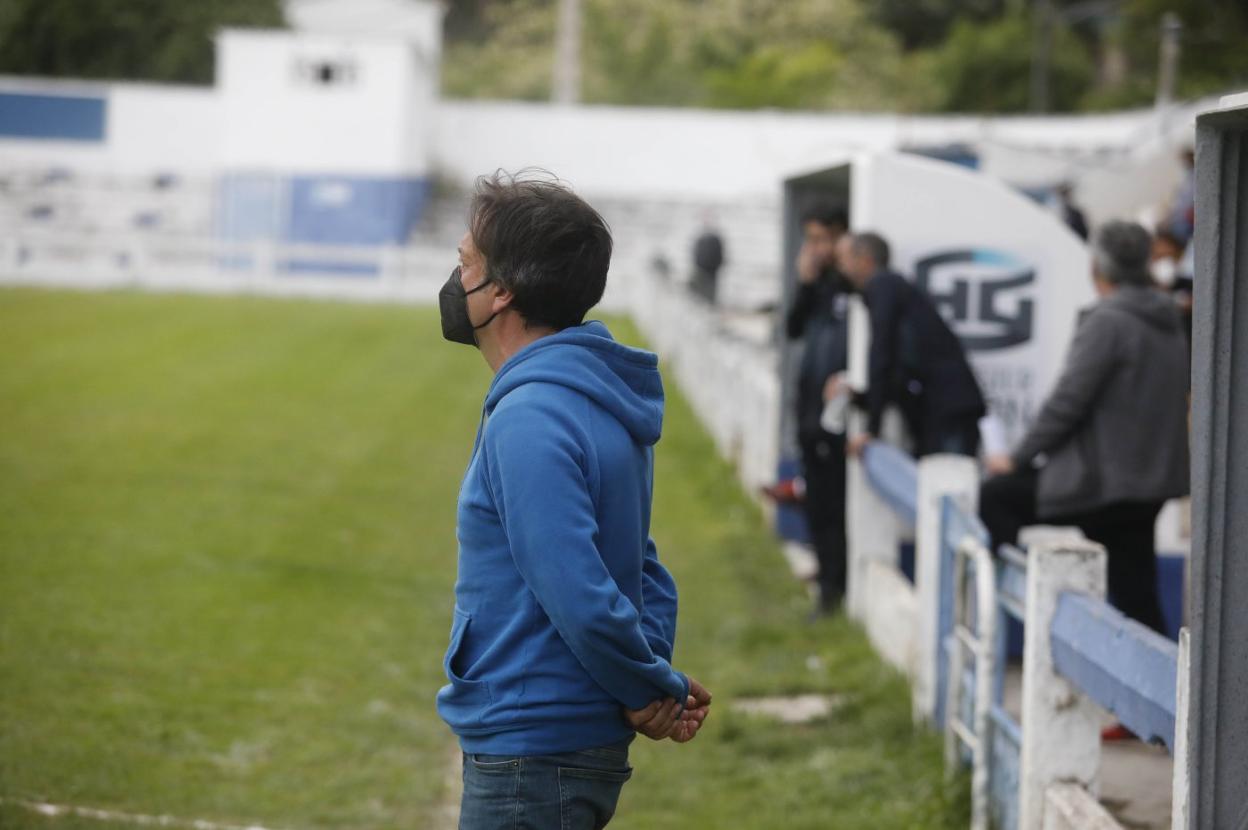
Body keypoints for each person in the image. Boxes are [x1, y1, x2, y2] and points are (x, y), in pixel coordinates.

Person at [436, 171, 712, 829]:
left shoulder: (530, 416)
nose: (453, 280)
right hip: (559, 746)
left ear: (500, 291)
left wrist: (649, 689)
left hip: (533, 752)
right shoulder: (591, 397)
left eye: (465, 262)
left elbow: (582, 591)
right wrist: (644, 681)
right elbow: (643, 569)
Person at [980, 221, 1189, 637]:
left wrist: (1015, 458)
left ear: (1097, 267)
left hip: (1105, 484)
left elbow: (1066, 404)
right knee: (1136, 596)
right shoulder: (1168, 318)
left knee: (997, 496)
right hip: (1149, 483)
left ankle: (1004, 628)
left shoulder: (1108, 322)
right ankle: (1166, 694)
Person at [837, 231, 986, 458]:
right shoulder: (896, 290)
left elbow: (881, 355)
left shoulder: (883, 285)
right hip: (943, 412)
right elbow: (899, 369)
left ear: (865, 259)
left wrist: (871, 429)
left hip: (947, 413)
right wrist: (860, 398)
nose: (842, 269)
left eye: (845, 259)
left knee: (945, 485)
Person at [780, 202, 851, 618]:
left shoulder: (852, 286)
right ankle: (827, 578)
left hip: (835, 417)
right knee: (817, 503)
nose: (816, 249)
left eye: (823, 239)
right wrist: (804, 283)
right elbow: (792, 328)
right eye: (811, 240)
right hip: (809, 411)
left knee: (832, 506)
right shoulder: (819, 284)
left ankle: (834, 591)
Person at [690, 215, 726, 305]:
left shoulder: (715, 238)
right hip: (701, 269)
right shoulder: (700, 238)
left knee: (711, 291)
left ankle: (710, 305)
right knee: (701, 291)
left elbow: (720, 253)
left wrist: (717, 265)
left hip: (712, 270)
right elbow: (696, 253)